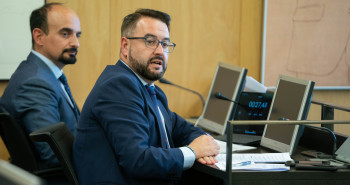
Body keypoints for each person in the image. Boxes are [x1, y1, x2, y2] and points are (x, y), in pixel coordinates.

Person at [73, 8, 219, 185]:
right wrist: (193, 152)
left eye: (165, 44)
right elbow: (138, 160)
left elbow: (178, 127)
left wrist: (205, 142)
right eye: (150, 41)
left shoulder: (150, 88)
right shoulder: (118, 86)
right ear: (125, 46)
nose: (159, 51)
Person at [0, 3, 81, 169]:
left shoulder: (45, 75)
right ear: (38, 36)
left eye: (77, 35)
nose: (75, 43)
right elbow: (54, 154)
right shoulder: (35, 83)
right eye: (65, 34)